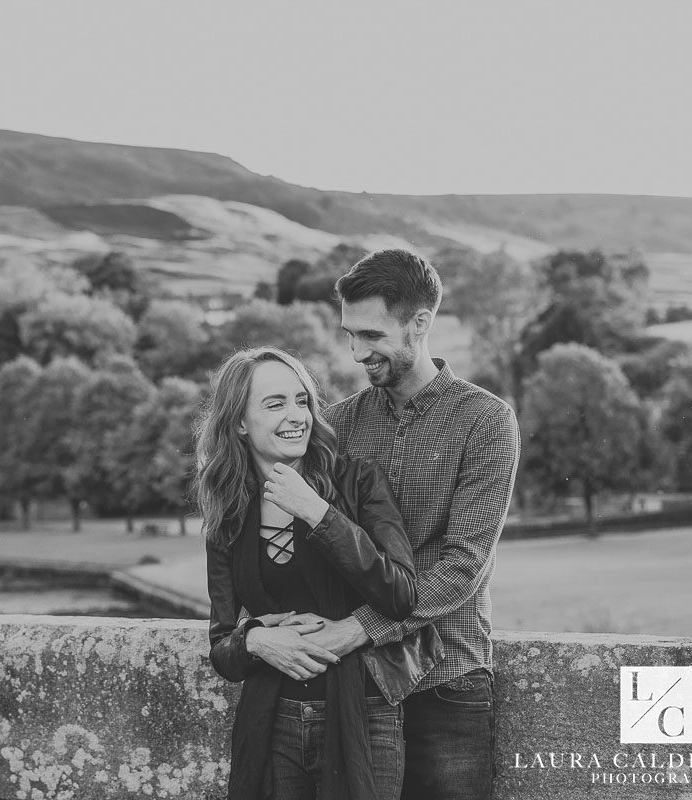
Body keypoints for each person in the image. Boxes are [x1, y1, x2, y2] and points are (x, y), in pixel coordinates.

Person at [291, 249, 520, 800]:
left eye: (371, 335)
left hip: (449, 678)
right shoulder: (340, 423)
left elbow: (461, 567)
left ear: (420, 323)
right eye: (349, 334)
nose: (356, 351)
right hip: (358, 684)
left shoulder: (486, 420)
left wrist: (359, 627)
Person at [198, 346, 443, 800]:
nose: (297, 416)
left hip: (364, 714)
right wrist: (254, 639)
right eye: (274, 404)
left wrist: (317, 512)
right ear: (238, 423)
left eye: (302, 400)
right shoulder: (228, 512)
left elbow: (402, 594)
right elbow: (222, 647)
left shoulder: (359, 482)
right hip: (272, 719)